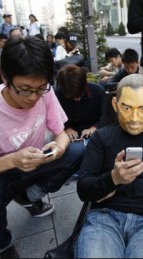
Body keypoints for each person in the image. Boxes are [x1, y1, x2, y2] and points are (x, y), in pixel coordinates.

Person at [74, 74, 143, 258]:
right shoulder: (101, 138)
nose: (134, 117)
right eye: (126, 107)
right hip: (103, 219)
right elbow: (84, 190)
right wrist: (113, 177)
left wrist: (118, 184)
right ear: (115, 105)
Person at [0, 36, 84, 255]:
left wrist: (58, 149)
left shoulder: (44, 94)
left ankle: (28, 196)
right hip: (5, 171)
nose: (32, 98)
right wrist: (13, 160)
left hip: (38, 160)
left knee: (78, 150)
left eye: (40, 89)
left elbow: (62, 134)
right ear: (5, 77)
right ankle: (4, 243)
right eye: (25, 89)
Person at [54, 64, 106, 141]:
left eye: (80, 95)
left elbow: (107, 117)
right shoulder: (57, 94)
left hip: (95, 134)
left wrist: (95, 127)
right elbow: (54, 119)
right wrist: (66, 128)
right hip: (69, 137)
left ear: (85, 84)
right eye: (71, 97)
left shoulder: (98, 92)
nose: (77, 99)